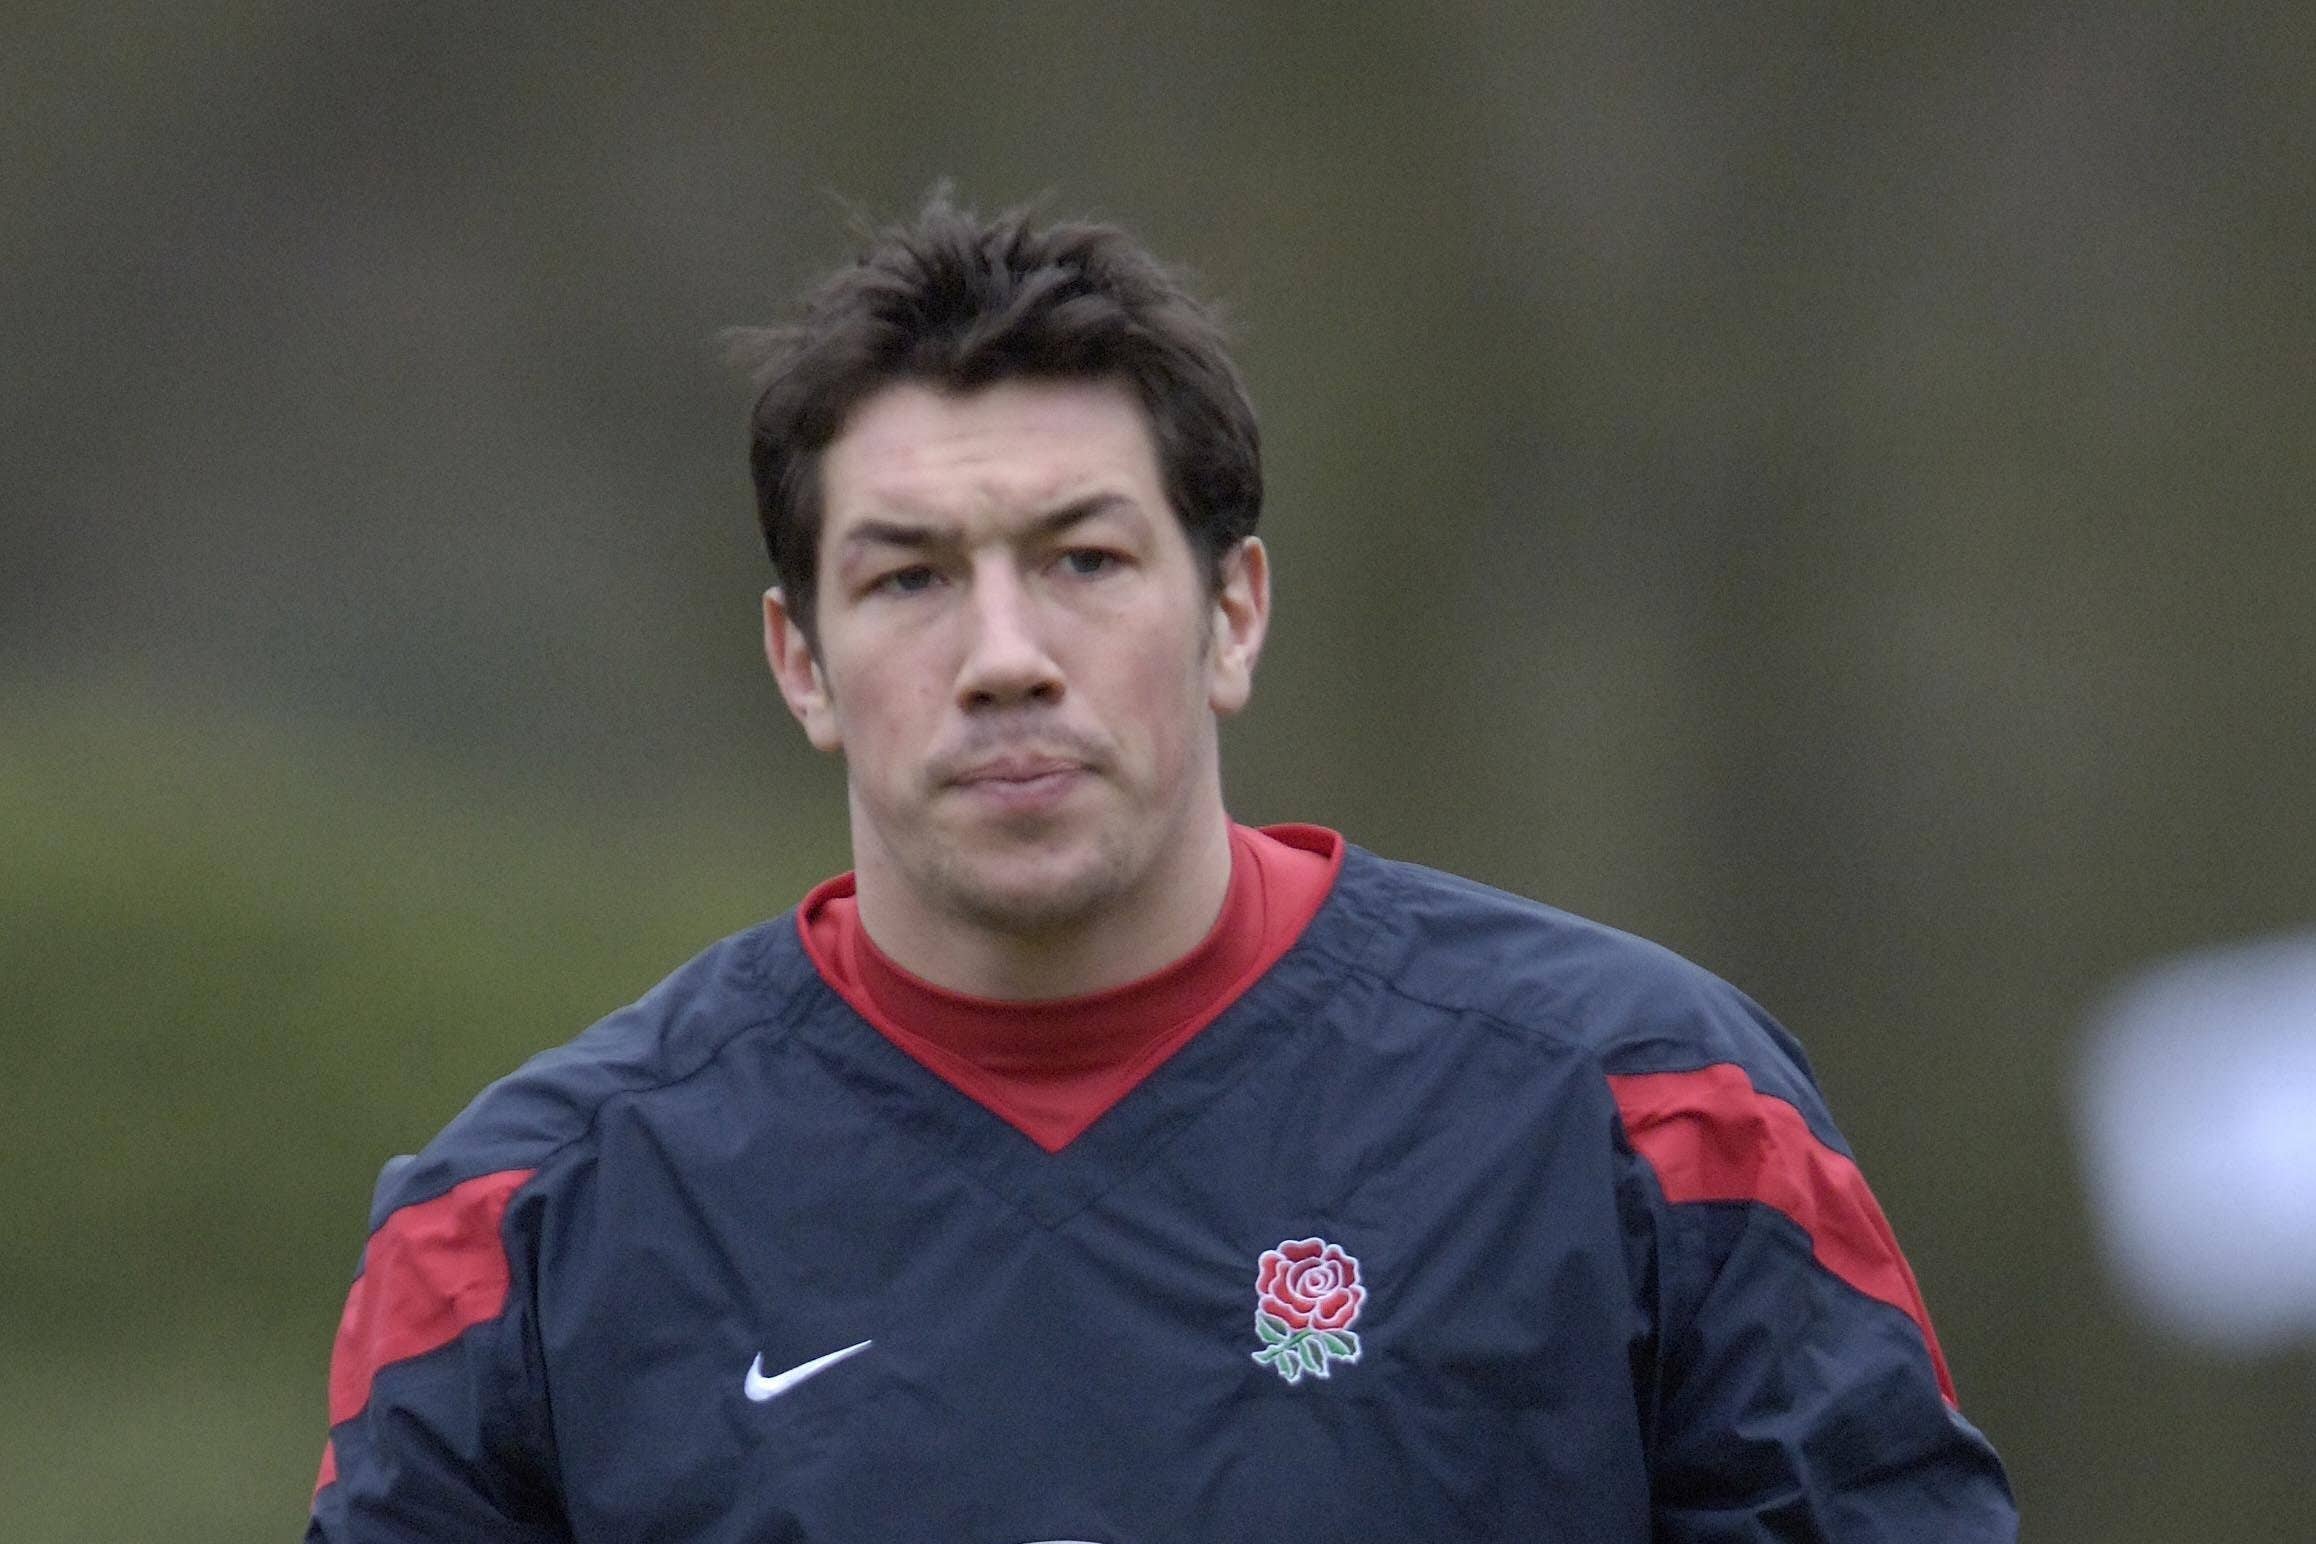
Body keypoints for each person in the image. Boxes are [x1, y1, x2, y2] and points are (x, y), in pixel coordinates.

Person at [307, 194, 2017, 1541]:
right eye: (908, 578)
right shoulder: (528, 1230)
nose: (1005, 656)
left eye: (1083, 559)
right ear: (800, 662)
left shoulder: (1656, 1118)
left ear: (1233, 612)